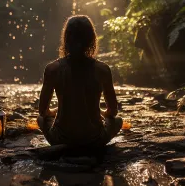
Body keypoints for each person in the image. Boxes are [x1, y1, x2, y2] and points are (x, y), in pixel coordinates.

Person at [37, 15, 123, 147]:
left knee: (41, 120)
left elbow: (43, 111)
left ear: (66, 39)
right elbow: (113, 111)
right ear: (91, 40)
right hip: (94, 140)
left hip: (61, 139)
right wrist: (102, 113)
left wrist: (54, 112)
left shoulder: (52, 69)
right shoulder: (103, 69)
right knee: (117, 121)